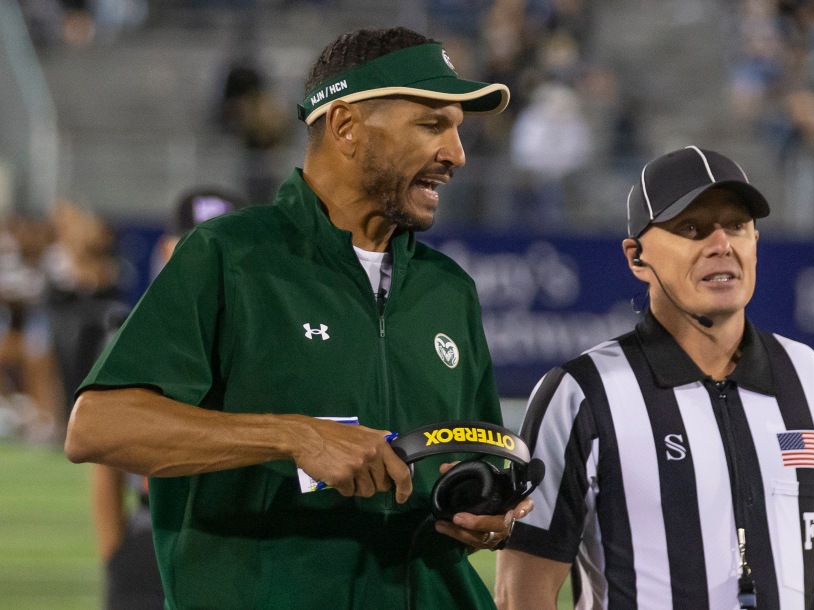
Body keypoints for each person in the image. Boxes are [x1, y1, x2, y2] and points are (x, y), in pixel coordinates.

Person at [65, 26, 530, 610]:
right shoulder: (230, 256)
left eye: (459, 130)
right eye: (432, 124)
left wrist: (483, 514)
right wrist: (294, 436)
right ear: (346, 126)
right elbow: (97, 425)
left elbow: (467, 462)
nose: (457, 154)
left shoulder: (449, 289)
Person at [495, 146, 814, 609]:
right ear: (637, 257)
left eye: (737, 226)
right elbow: (523, 587)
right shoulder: (581, 394)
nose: (722, 245)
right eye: (692, 228)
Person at [90, 187, 243, 610]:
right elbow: (103, 459)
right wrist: (116, 554)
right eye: (194, 244)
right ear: (166, 248)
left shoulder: (269, 339)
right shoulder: (135, 335)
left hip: (238, 539)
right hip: (154, 529)